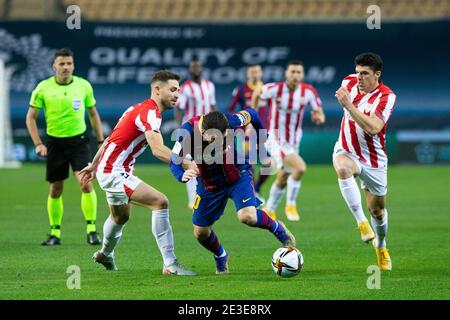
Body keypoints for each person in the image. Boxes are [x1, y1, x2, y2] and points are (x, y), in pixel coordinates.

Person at [79, 70, 196, 275]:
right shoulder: (150, 113)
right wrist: (187, 164)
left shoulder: (135, 108)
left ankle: (106, 254)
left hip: (110, 170)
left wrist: (94, 165)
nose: (177, 95)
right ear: (157, 89)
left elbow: (110, 140)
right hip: (115, 172)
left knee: (120, 217)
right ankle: (170, 264)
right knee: (160, 202)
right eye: (172, 90)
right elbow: (158, 150)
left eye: (178, 90)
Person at [170, 109, 296, 274]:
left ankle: (278, 228)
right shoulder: (186, 133)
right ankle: (221, 255)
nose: (220, 144)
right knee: (200, 232)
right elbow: (174, 160)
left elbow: (254, 115)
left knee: (247, 216)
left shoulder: (232, 120)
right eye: (214, 140)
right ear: (202, 132)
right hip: (210, 184)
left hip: (238, 175)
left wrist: (262, 142)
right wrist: (181, 175)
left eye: (223, 139)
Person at [25, 48, 104, 246]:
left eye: (69, 63)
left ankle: (92, 231)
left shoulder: (83, 85)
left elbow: (93, 113)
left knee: (85, 183)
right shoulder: (43, 88)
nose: (66, 67)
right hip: (55, 143)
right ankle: (55, 234)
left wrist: (101, 140)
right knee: (55, 188)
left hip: (79, 142)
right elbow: (31, 118)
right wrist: (38, 144)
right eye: (62, 63)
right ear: (54, 66)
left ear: (74, 65)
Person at [333, 53, 396, 271]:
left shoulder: (387, 97)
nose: (359, 78)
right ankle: (361, 222)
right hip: (346, 149)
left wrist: (349, 106)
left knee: (377, 211)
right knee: (342, 168)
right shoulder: (347, 82)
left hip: (373, 159)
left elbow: (373, 128)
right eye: (358, 72)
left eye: (365, 74)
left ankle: (381, 245)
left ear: (377, 74)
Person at [252, 60, 325, 221]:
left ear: (303, 74)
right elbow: (257, 94)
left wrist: (318, 117)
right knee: (300, 168)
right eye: (292, 72)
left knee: (284, 175)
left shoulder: (308, 91)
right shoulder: (275, 88)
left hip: (293, 140)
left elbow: (318, 110)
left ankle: (269, 209)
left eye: (299, 72)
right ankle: (290, 205)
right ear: (286, 73)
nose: (295, 75)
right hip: (276, 138)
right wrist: (254, 117)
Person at [175, 58, 217, 209]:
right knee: (189, 163)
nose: (196, 69)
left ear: (202, 68)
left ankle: (207, 195)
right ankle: (192, 199)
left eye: (198, 66)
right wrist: (180, 128)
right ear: (190, 70)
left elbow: (212, 107)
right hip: (191, 131)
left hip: (207, 131)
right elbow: (179, 109)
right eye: (193, 67)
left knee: (207, 163)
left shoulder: (209, 86)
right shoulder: (185, 88)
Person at [228, 64, 269, 202]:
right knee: (247, 165)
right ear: (248, 74)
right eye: (252, 72)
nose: (255, 74)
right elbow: (231, 109)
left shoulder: (268, 89)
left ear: (261, 72)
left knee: (269, 164)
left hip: (263, 132)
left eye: (257, 71)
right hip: (244, 134)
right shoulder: (241, 89)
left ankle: (257, 188)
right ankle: (249, 194)